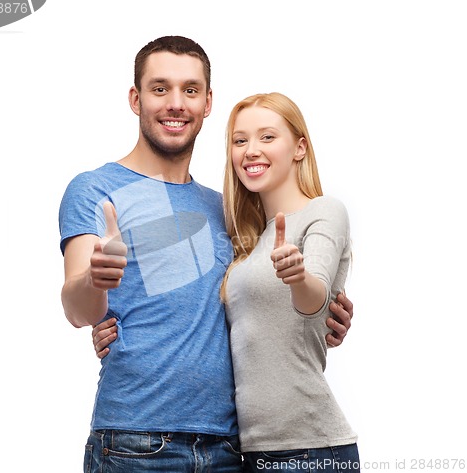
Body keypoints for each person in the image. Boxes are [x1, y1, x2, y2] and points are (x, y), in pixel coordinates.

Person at [60, 35, 353, 473]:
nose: (175, 103)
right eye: (160, 89)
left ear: (207, 102)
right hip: (135, 442)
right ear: (135, 98)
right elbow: (78, 308)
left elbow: (264, 297)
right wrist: (94, 281)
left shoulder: (229, 209)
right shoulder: (95, 190)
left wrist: (329, 307)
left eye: (190, 90)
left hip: (230, 447)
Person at [221, 92, 359, 472]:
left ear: (299, 148)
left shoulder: (324, 211)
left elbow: (313, 297)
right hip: (248, 451)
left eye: (267, 137)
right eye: (240, 140)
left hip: (310, 451)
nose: (251, 150)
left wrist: (298, 277)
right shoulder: (246, 240)